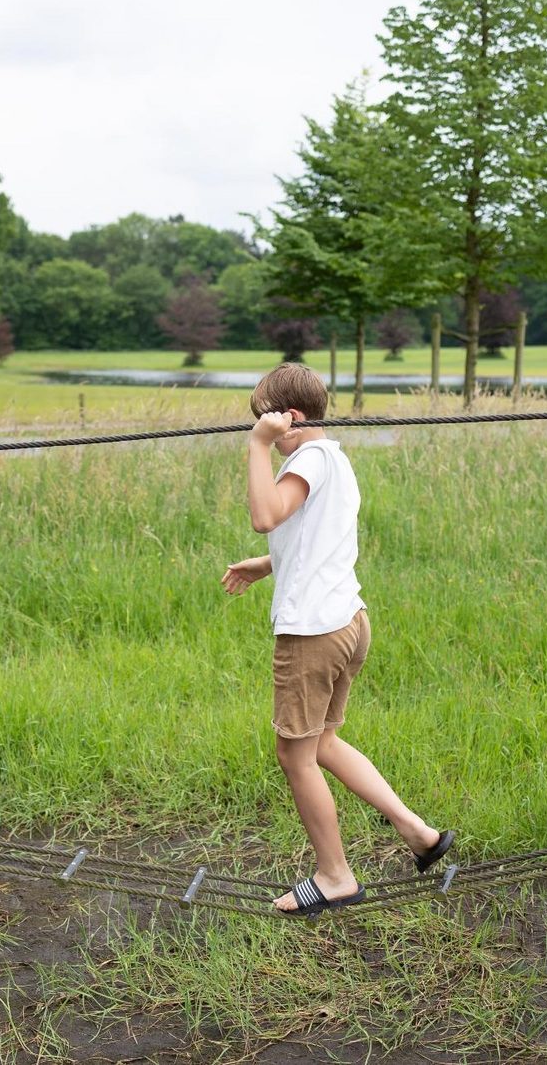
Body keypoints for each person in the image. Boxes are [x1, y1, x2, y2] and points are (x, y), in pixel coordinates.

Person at [221, 362, 453, 915]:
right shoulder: (336, 459)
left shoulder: (304, 459)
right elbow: (312, 539)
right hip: (348, 621)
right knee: (322, 743)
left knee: (294, 755)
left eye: (267, 422)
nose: (267, 437)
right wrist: (264, 565)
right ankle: (418, 832)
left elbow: (264, 515)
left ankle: (334, 877)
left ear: (289, 418)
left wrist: (257, 446)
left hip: (313, 635)